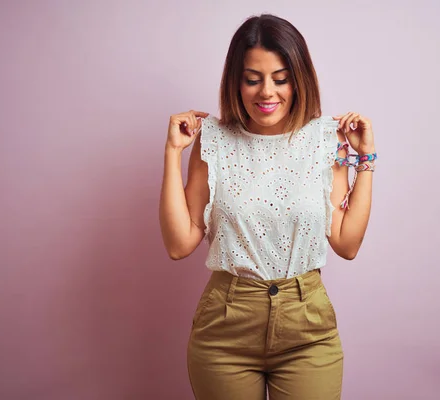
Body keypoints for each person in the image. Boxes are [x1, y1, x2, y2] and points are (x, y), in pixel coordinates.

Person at [159, 13, 376, 400]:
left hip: (307, 327)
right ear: (236, 81)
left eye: (280, 78)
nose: (266, 93)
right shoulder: (215, 142)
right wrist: (174, 153)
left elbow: (347, 243)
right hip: (226, 329)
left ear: (298, 79)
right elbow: (179, 244)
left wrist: (365, 160)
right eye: (253, 78)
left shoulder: (326, 140)